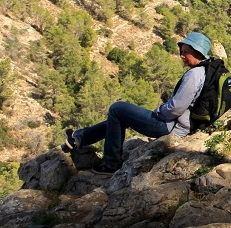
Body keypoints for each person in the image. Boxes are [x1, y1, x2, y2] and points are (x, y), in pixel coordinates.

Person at [63, 32, 213, 174]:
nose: (181, 55)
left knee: (117, 109)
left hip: (170, 126)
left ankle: (110, 165)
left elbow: (175, 108)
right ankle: (79, 138)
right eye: (182, 50)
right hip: (179, 124)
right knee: (122, 116)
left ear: (198, 53)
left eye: (186, 52)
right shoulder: (204, 71)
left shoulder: (194, 75)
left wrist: (158, 111)